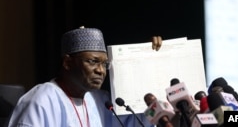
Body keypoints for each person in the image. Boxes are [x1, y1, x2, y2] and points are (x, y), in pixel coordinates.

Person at [7, 26, 162, 127]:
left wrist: (148, 60)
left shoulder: (101, 101)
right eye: (93, 62)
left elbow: (137, 123)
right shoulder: (42, 100)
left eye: (104, 64)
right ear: (67, 62)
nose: (101, 70)